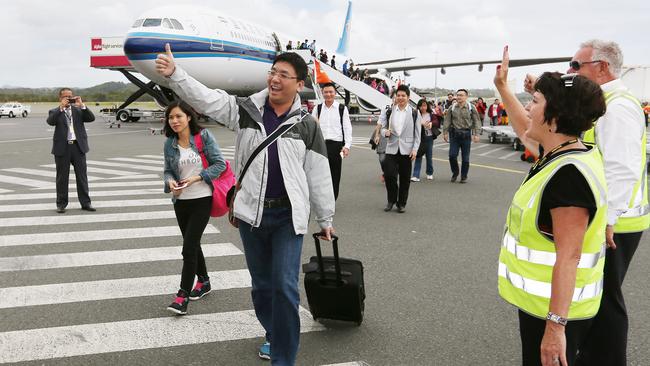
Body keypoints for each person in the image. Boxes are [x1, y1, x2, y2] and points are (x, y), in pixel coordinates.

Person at [156, 46, 335, 366]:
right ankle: (272, 330)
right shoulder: (246, 111)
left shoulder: (307, 125)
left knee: (285, 287)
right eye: (273, 72)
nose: (275, 79)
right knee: (263, 288)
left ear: (298, 83)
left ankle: (283, 354)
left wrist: (325, 218)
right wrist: (175, 75)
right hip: (252, 213)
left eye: (284, 75)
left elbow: (319, 172)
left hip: (287, 216)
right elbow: (207, 98)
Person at [494, 47, 609, 366]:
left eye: (535, 102)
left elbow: (569, 256)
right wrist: (503, 87)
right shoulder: (570, 151)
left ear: (554, 117)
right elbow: (524, 130)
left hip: (557, 310)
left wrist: (556, 327)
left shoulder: (569, 177)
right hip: (546, 304)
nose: (529, 109)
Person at [569, 40, 648, 366]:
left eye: (577, 65)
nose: (571, 71)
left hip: (616, 223)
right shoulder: (605, 102)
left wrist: (608, 220)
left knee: (605, 299)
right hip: (612, 220)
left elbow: (621, 168)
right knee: (599, 296)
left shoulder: (616, 107)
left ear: (602, 67)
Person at [162, 100, 226, 315]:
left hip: (202, 198)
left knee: (188, 248)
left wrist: (198, 177)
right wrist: (170, 182)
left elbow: (220, 164)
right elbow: (168, 171)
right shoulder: (170, 143)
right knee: (193, 243)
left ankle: (182, 296)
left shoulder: (203, 137)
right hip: (180, 201)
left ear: (189, 117)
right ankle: (205, 281)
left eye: (178, 116)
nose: (174, 121)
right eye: (171, 117)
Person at [46, 88, 96, 213]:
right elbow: (50, 122)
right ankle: (61, 204)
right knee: (62, 177)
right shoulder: (54, 111)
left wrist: (82, 105)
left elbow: (91, 118)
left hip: (78, 147)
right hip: (63, 148)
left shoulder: (78, 110)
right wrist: (61, 108)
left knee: (82, 177)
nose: (69, 98)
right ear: (60, 98)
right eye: (66, 97)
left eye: (70, 96)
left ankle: (86, 203)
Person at [379, 84, 421, 213]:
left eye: (403, 95)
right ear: (395, 97)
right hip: (391, 147)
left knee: (404, 178)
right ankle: (391, 200)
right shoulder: (390, 110)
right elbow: (382, 127)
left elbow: (418, 134)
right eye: (398, 95)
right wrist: (384, 132)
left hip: (407, 149)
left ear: (408, 97)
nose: (401, 98)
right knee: (389, 175)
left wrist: (415, 149)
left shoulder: (414, 112)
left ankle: (401, 203)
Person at [312, 82, 352, 200]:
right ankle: (322, 198)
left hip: (336, 146)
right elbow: (312, 127)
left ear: (335, 93)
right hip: (320, 145)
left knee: (335, 174)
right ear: (322, 93)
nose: (328, 94)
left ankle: (332, 199)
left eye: (331, 92)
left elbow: (347, 128)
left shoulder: (341, 108)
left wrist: (347, 146)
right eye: (326, 92)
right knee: (320, 174)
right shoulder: (317, 108)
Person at [442, 89, 481, 183]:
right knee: (452, 155)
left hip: (466, 135)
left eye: (461, 95)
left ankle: (464, 176)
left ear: (466, 97)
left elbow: (477, 121)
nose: (459, 97)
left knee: (465, 158)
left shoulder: (471, 107)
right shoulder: (452, 107)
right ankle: (455, 172)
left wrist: (476, 134)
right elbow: (447, 120)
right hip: (454, 134)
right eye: (458, 95)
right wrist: (445, 132)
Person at [411, 98, 436, 181]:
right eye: (421, 106)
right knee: (418, 156)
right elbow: (412, 123)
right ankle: (415, 175)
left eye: (424, 105)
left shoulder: (431, 114)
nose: (423, 107)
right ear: (418, 106)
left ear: (427, 106)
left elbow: (436, 121)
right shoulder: (416, 114)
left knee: (429, 156)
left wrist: (431, 123)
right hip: (419, 138)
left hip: (429, 138)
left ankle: (429, 173)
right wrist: (420, 123)